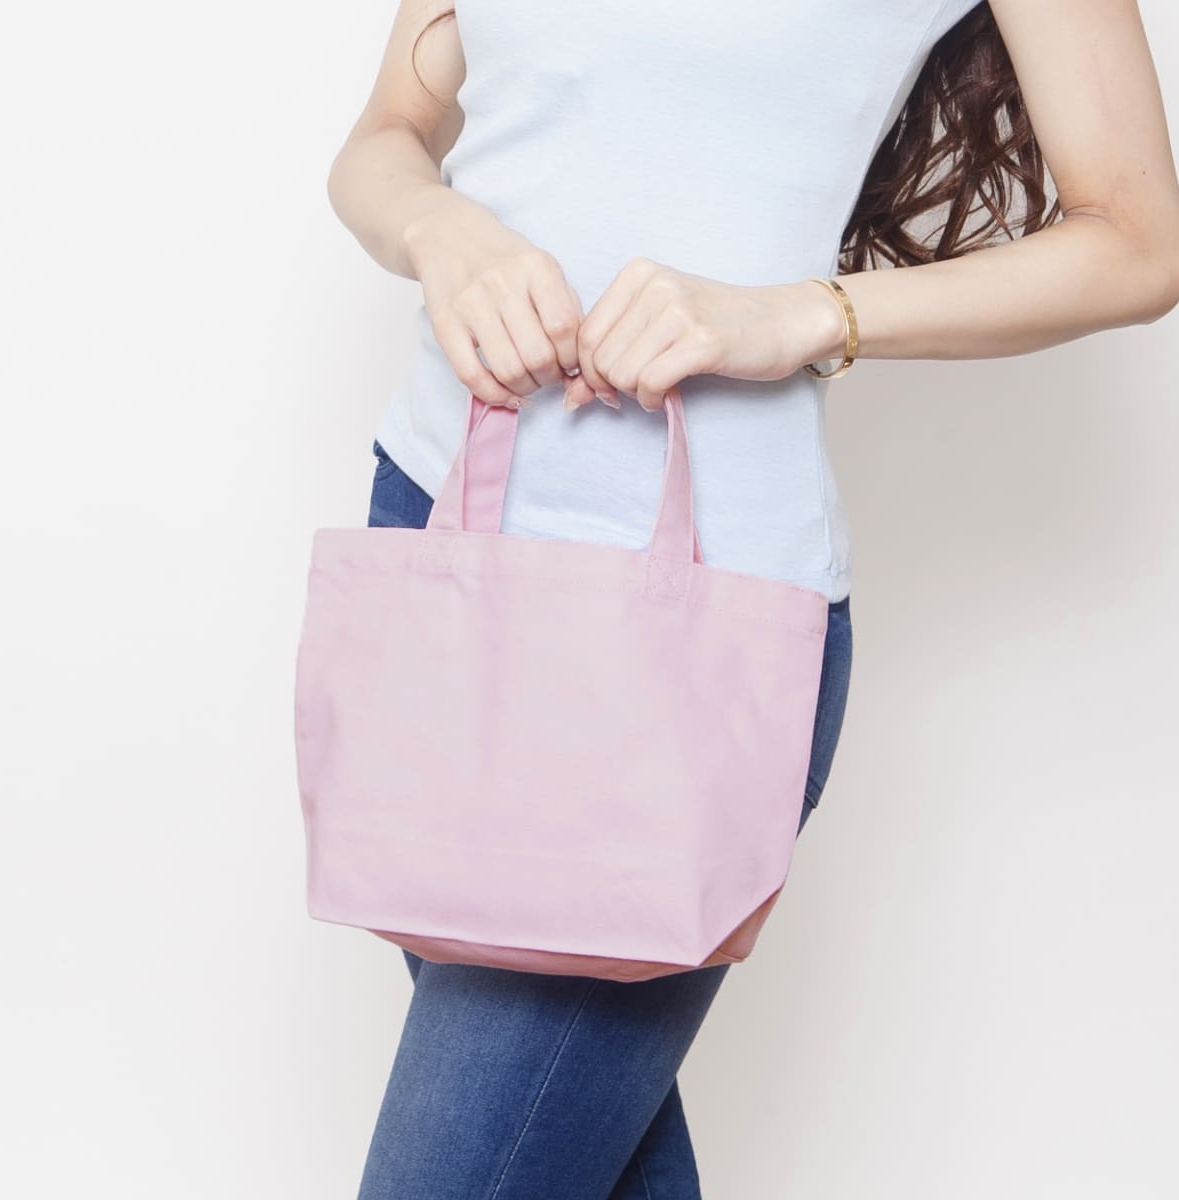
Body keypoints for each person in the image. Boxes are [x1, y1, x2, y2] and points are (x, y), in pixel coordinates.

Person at [324, 2, 1179, 1195]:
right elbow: (387, 132)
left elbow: (1139, 242)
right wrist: (439, 227)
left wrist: (801, 313)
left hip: (698, 624)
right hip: (438, 531)